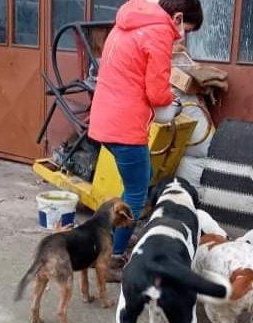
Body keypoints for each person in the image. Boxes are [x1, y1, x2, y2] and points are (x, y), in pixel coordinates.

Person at [88, 0, 203, 275]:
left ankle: (111, 242)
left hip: (106, 120)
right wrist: (171, 101)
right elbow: (156, 91)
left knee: (137, 182)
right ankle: (113, 258)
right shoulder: (160, 31)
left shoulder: (129, 21)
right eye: (186, 28)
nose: (183, 35)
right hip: (126, 126)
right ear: (176, 17)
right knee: (137, 194)